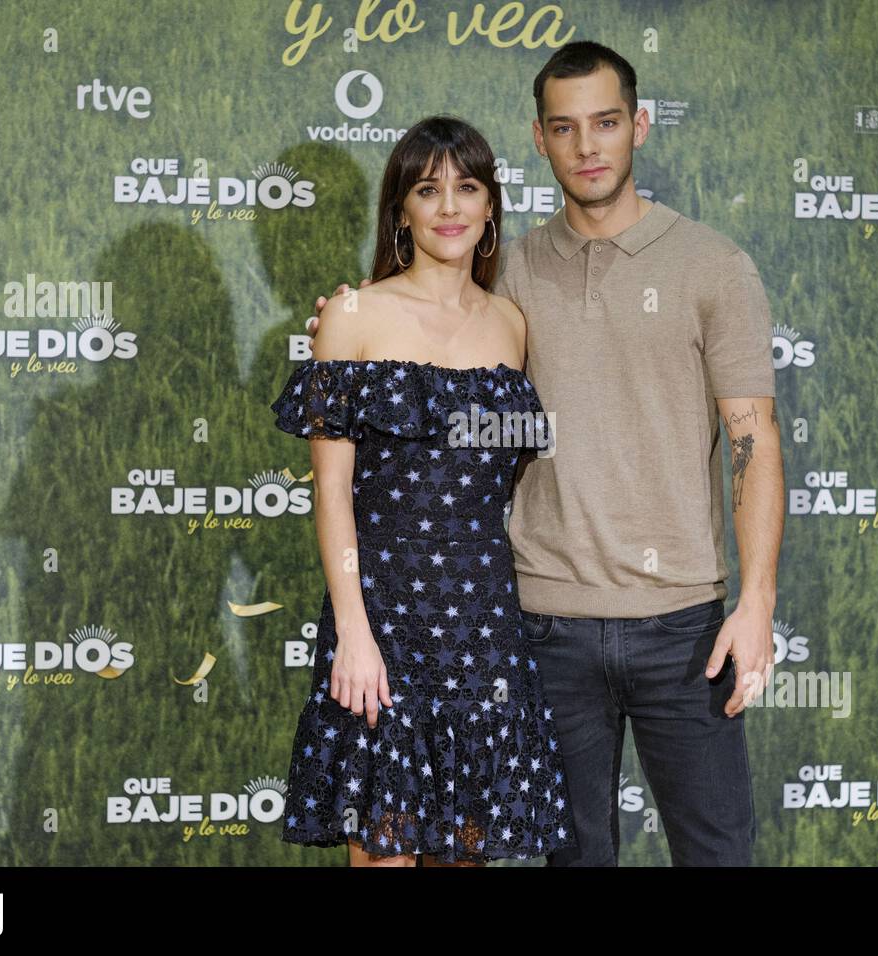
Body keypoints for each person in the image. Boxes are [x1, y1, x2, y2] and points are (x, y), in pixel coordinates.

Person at [305, 41, 783, 867]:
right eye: (565, 128)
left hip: (679, 627)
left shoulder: (713, 267)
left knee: (718, 853)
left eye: (605, 123)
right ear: (540, 139)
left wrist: (758, 602)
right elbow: (415, 342)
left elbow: (755, 440)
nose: (586, 146)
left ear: (639, 126)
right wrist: (343, 324)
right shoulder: (510, 278)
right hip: (541, 628)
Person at [269, 115, 576, 867]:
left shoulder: (511, 326)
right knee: (384, 851)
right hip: (383, 620)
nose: (449, 207)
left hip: (482, 625)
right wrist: (354, 632)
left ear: (490, 206)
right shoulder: (353, 316)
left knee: (465, 852)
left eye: (466, 188)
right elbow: (331, 493)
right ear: (400, 210)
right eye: (428, 190)